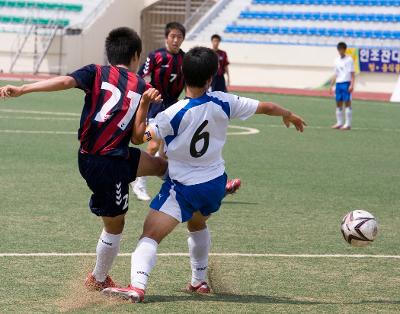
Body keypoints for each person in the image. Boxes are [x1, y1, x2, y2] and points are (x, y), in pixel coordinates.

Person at [102, 47, 307, 303]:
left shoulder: (172, 113)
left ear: (182, 74)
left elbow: (137, 136)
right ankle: (198, 281)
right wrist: (288, 114)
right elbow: (267, 106)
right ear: (211, 77)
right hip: (215, 184)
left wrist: (143, 105)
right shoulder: (224, 101)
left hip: (184, 187)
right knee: (198, 224)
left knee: (150, 235)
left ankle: (137, 286)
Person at [0, 27, 167, 291]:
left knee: (160, 166)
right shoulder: (143, 87)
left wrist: (24, 89)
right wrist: (145, 104)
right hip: (104, 162)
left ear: (108, 53)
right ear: (136, 56)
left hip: (113, 156)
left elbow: (65, 81)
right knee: (116, 224)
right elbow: (138, 137)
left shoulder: (96, 72)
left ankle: (194, 185)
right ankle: (98, 278)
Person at [130, 22, 186, 201]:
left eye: (179, 37)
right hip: (156, 106)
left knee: (167, 152)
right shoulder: (156, 56)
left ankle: (169, 185)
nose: (176, 40)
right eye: (173, 36)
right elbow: (139, 77)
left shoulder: (186, 59)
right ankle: (140, 183)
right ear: (166, 37)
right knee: (153, 143)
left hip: (174, 109)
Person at [330, 42, 355, 131]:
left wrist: (352, 84)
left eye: (341, 49)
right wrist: (332, 84)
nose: (340, 51)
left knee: (347, 102)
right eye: (339, 49)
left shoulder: (349, 59)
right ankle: (339, 123)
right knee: (338, 103)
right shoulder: (336, 60)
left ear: (345, 49)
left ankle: (348, 124)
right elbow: (336, 73)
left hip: (346, 83)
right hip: (338, 84)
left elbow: (352, 73)